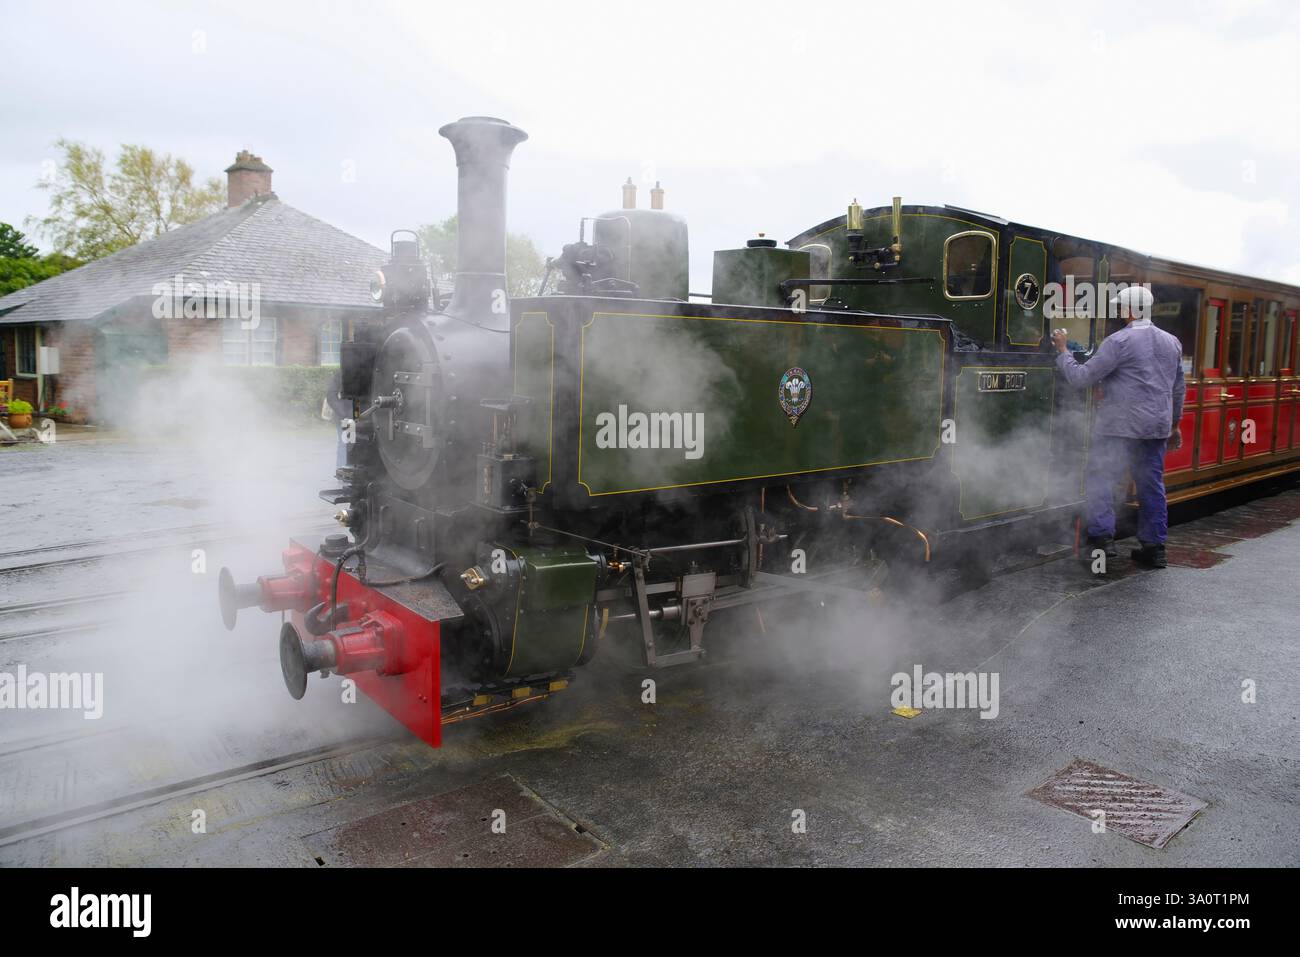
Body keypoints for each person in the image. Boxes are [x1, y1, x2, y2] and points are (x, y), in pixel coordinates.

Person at [1052, 285, 1184, 568]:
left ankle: (1101, 543)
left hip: (1118, 427)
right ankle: (1155, 548)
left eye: (1121, 307)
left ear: (1131, 311)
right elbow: (1178, 389)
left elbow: (1082, 377)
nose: (1119, 312)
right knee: (1152, 486)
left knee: (1101, 479)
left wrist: (1063, 350)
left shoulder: (1118, 341)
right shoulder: (1172, 342)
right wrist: (1174, 424)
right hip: (1156, 427)